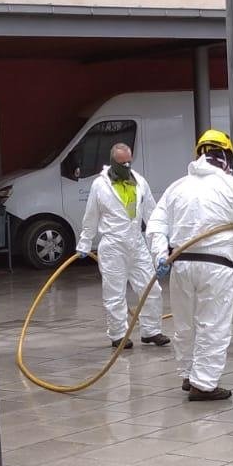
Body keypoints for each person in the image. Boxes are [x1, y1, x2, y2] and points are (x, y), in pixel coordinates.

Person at [146, 129, 233, 401]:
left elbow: (155, 225)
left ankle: (189, 376)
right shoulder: (231, 185)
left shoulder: (177, 186)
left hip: (181, 264)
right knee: (212, 325)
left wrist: (159, 256)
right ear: (226, 156)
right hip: (217, 266)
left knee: (185, 324)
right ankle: (204, 385)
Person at [75, 142, 169, 349]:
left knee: (151, 288)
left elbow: (152, 214)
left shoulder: (140, 182)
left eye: (129, 161)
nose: (126, 166)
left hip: (137, 243)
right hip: (112, 246)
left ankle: (151, 330)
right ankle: (118, 335)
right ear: (112, 161)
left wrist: (162, 245)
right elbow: (91, 215)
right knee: (115, 293)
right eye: (121, 162)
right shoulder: (100, 185)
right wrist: (84, 242)